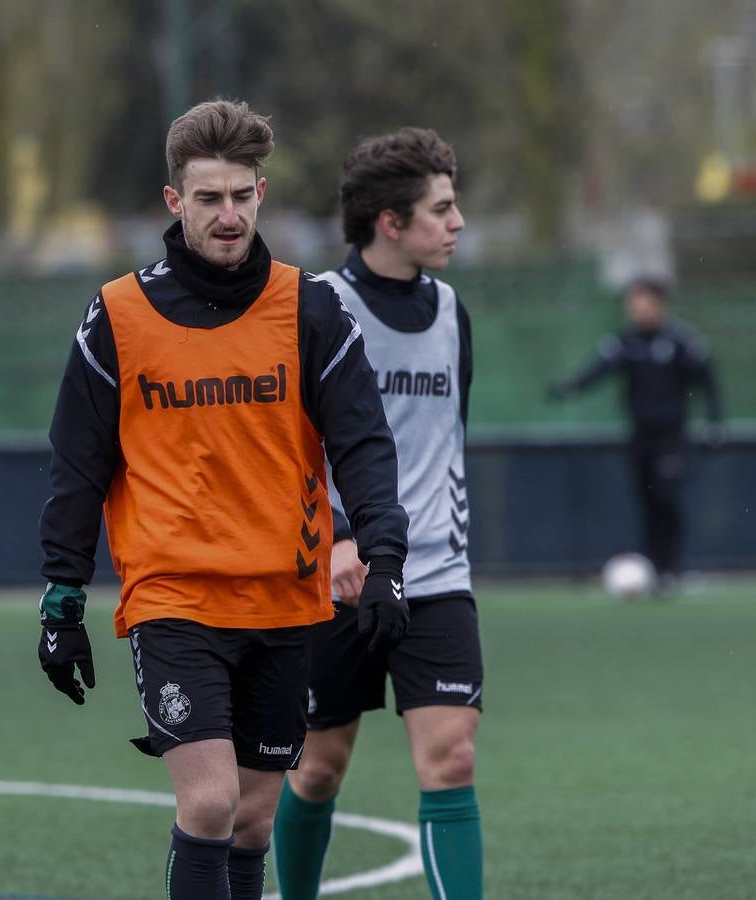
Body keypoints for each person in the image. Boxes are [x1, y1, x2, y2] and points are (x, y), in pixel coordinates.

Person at [35, 99, 410, 900]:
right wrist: (62, 598)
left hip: (283, 602)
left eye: (241, 195)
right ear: (176, 202)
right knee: (208, 802)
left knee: (252, 822)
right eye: (209, 198)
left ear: (261, 193)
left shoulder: (309, 308)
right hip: (173, 599)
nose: (228, 214)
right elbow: (77, 466)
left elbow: (363, 445)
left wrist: (385, 559)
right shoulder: (119, 315)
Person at [272, 127, 483, 900]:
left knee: (452, 758)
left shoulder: (454, 311)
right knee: (319, 768)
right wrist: (333, 540)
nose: (457, 223)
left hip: (433, 572)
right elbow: (288, 446)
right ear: (390, 222)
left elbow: (449, 439)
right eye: (441, 209)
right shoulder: (318, 307)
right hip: (338, 574)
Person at [548, 277, 724, 589]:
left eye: (641, 303)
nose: (635, 310)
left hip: (671, 436)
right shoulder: (626, 342)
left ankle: (673, 566)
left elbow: (707, 380)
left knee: (667, 497)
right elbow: (598, 370)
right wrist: (569, 387)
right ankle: (652, 567)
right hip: (640, 436)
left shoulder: (681, 341)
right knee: (647, 498)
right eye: (632, 304)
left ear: (658, 304)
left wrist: (715, 422)